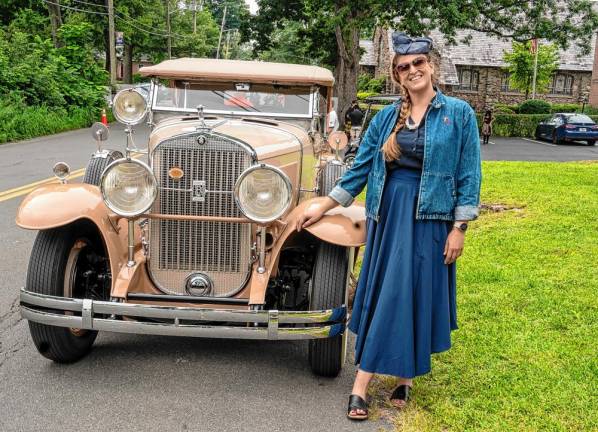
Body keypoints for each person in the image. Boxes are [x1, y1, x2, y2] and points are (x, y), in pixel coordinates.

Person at [296, 31, 481, 421]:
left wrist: (459, 228)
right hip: (390, 217)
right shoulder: (384, 119)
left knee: (414, 293)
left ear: (431, 66)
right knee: (390, 293)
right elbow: (359, 169)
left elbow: (469, 174)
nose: (413, 71)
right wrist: (325, 205)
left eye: (418, 63)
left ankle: (405, 376)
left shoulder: (459, 114)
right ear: (397, 75)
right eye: (404, 67)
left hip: (432, 220)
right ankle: (361, 383)